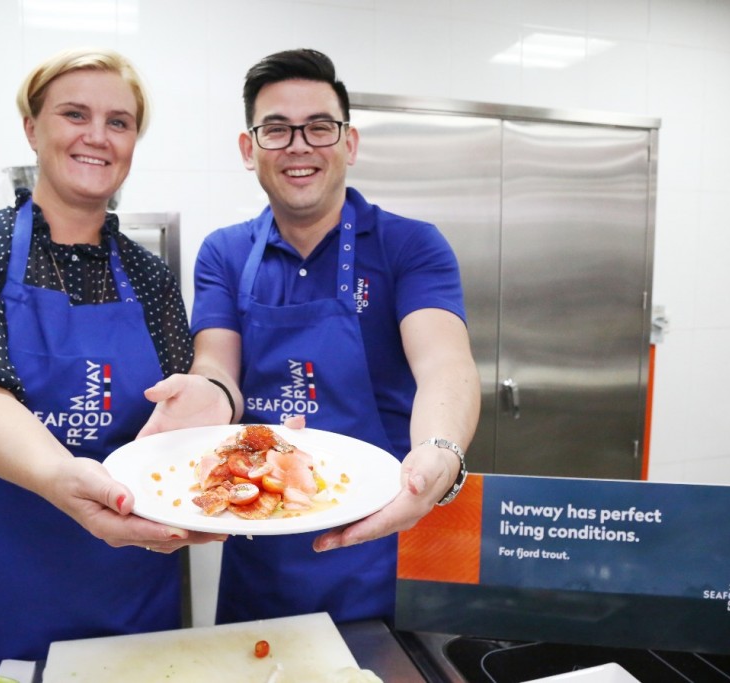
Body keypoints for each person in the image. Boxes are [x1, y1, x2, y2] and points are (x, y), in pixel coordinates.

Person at [141, 48, 480, 625]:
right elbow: (217, 367)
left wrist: (441, 452)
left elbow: (444, 364)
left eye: (319, 127)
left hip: (387, 531)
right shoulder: (225, 251)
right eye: (276, 130)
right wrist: (209, 395)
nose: (299, 145)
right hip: (260, 540)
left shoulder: (409, 246)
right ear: (250, 150)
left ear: (349, 142)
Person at [0, 47, 221, 669]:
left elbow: (172, 419)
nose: (97, 137)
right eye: (74, 114)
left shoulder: (149, 276)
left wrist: (231, 433)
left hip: (127, 584)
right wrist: (63, 478)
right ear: (32, 129)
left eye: (119, 122)